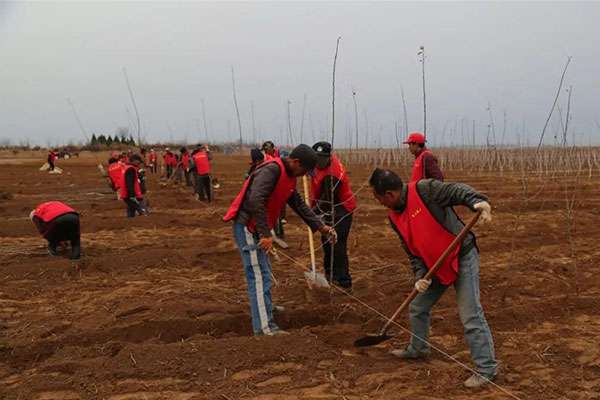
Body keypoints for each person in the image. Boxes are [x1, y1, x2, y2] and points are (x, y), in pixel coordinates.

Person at [368, 168, 496, 388]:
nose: (378, 202)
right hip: (433, 266)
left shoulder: (425, 189)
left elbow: (455, 190)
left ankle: (486, 369)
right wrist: (420, 277)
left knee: (471, 315)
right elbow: (413, 253)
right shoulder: (394, 218)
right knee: (417, 307)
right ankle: (418, 349)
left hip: (461, 256)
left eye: (378, 198)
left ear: (389, 194)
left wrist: (477, 202)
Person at [223, 144, 337, 336]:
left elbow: (298, 204)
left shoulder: (290, 176)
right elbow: (255, 200)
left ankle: (265, 309)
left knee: (265, 273)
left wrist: (320, 226)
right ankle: (264, 328)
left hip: (258, 227)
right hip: (248, 227)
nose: (303, 175)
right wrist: (266, 234)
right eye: (303, 170)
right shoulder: (272, 170)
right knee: (258, 276)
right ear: (295, 162)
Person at [311, 141, 356, 289]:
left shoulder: (333, 175)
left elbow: (327, 200)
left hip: (341, 210)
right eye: (316, 157)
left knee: (337, 243)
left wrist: (311, 214)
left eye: (322, 158)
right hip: (329, 209)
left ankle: (343, 280)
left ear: (329, 156)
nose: (318, 161)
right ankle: (330, 275)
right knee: (326, 242)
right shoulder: (320, 166)